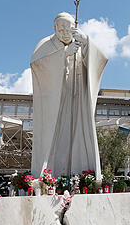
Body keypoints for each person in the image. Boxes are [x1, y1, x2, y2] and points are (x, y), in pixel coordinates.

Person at [31, 12, 108, 177]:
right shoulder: (46, 44)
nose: (65, 31)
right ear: (54, 28)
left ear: (75, 27)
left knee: (78, 133)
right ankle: (51, 175)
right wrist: (64, 54)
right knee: (58, 135)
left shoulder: (80, 43)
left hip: (78, 98)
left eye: (69, 27)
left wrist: (87, 42)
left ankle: (81, 173)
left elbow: (101, 60)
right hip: (56, 100)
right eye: (61, 28)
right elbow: (37, 64)